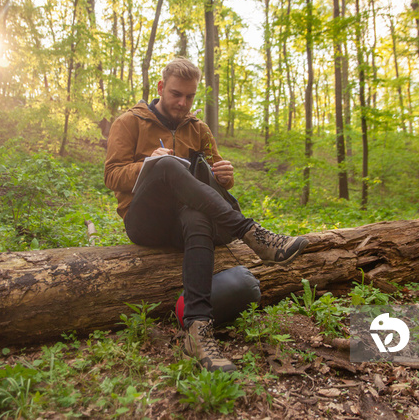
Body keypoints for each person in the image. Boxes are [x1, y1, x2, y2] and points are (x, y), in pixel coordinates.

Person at [104, 57, 309, 372]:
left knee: (197, 216)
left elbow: (218, 175)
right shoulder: (130, 122)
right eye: (176, 94)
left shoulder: (198, 128)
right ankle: (252, 234)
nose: (183, 103)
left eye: (189, 96)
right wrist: (150, 165)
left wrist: (225, 176)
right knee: (167, 165)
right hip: (144, 221)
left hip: (186, 224)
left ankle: (197, 333)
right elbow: (112, 176)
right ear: (160, 88)